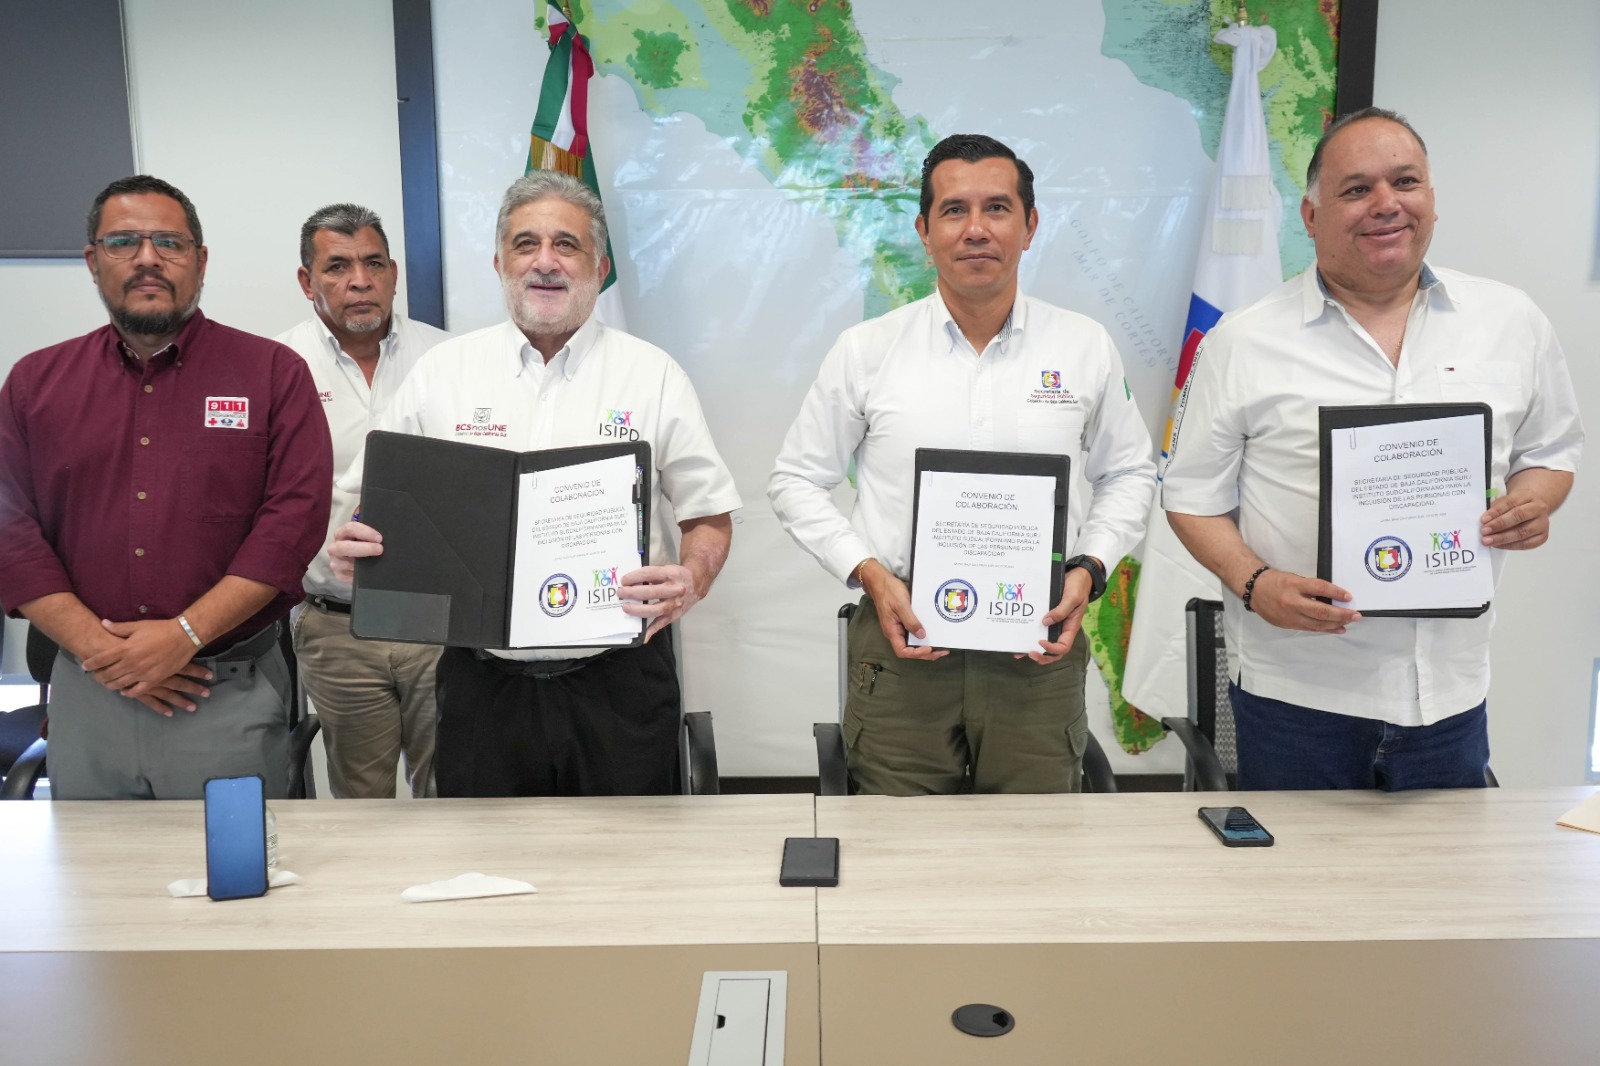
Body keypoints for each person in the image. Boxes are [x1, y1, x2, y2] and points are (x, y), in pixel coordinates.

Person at [1162, 107, 1583, 791]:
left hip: (1450, 694)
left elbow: (1552, 449)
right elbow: (1189, 496)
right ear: (1311, 216)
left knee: (1442, 866)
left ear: (1432, 200)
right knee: (1302, 866)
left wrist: (1532, 501)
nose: (1386, 203)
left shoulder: (1512, 321)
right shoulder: (1243, 341)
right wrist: (1255, 583)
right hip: (1298, 695)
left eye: (1405, 182)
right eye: (1356, 189)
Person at [328, 171, 740, 797]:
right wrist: (360, 547)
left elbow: (708, 515)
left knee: (632, 855)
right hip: (482, 685)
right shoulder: (441, 374)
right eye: (526, 244)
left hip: (619, 683)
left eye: (566, 245)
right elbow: (376, 507)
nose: (545, 262)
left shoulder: (653, 375)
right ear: (500, 264)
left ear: (599, 268)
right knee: (489, 854)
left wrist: (691, 577)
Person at [768, 134, 1156, 795]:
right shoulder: (867, 351)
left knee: (1034, 844)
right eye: (954, 210)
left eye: (997, 208)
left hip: (1036, 650)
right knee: (899, 846)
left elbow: (1130, 473)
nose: (976, 229)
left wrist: (1090, 568)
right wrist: (868, 574)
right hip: (903, 645)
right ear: (924, 231)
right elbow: (795, 479)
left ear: (1030, 225)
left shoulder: (1084, 346)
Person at [0, 175, 332, 799]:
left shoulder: (272, 374)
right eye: (123, 241)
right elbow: (10, 535)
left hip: (223, 691)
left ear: (200, 262)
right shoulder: (33, 384)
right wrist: (110, 655)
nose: (148, 258)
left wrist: (185, 636)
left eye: (169, 243)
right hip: (89, 691)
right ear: (93, 261)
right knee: (97, 864)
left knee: (228, 861)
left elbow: (292, 525)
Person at [276, 204, 450, 799]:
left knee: (452, 798)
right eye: (338, 267)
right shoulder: (277, 367)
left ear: (394, 274)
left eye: (374, 264)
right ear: (307, 281)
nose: (359, 281)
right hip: (336, 626)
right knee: (359, 806)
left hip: (439, 624)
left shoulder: (449, 359)